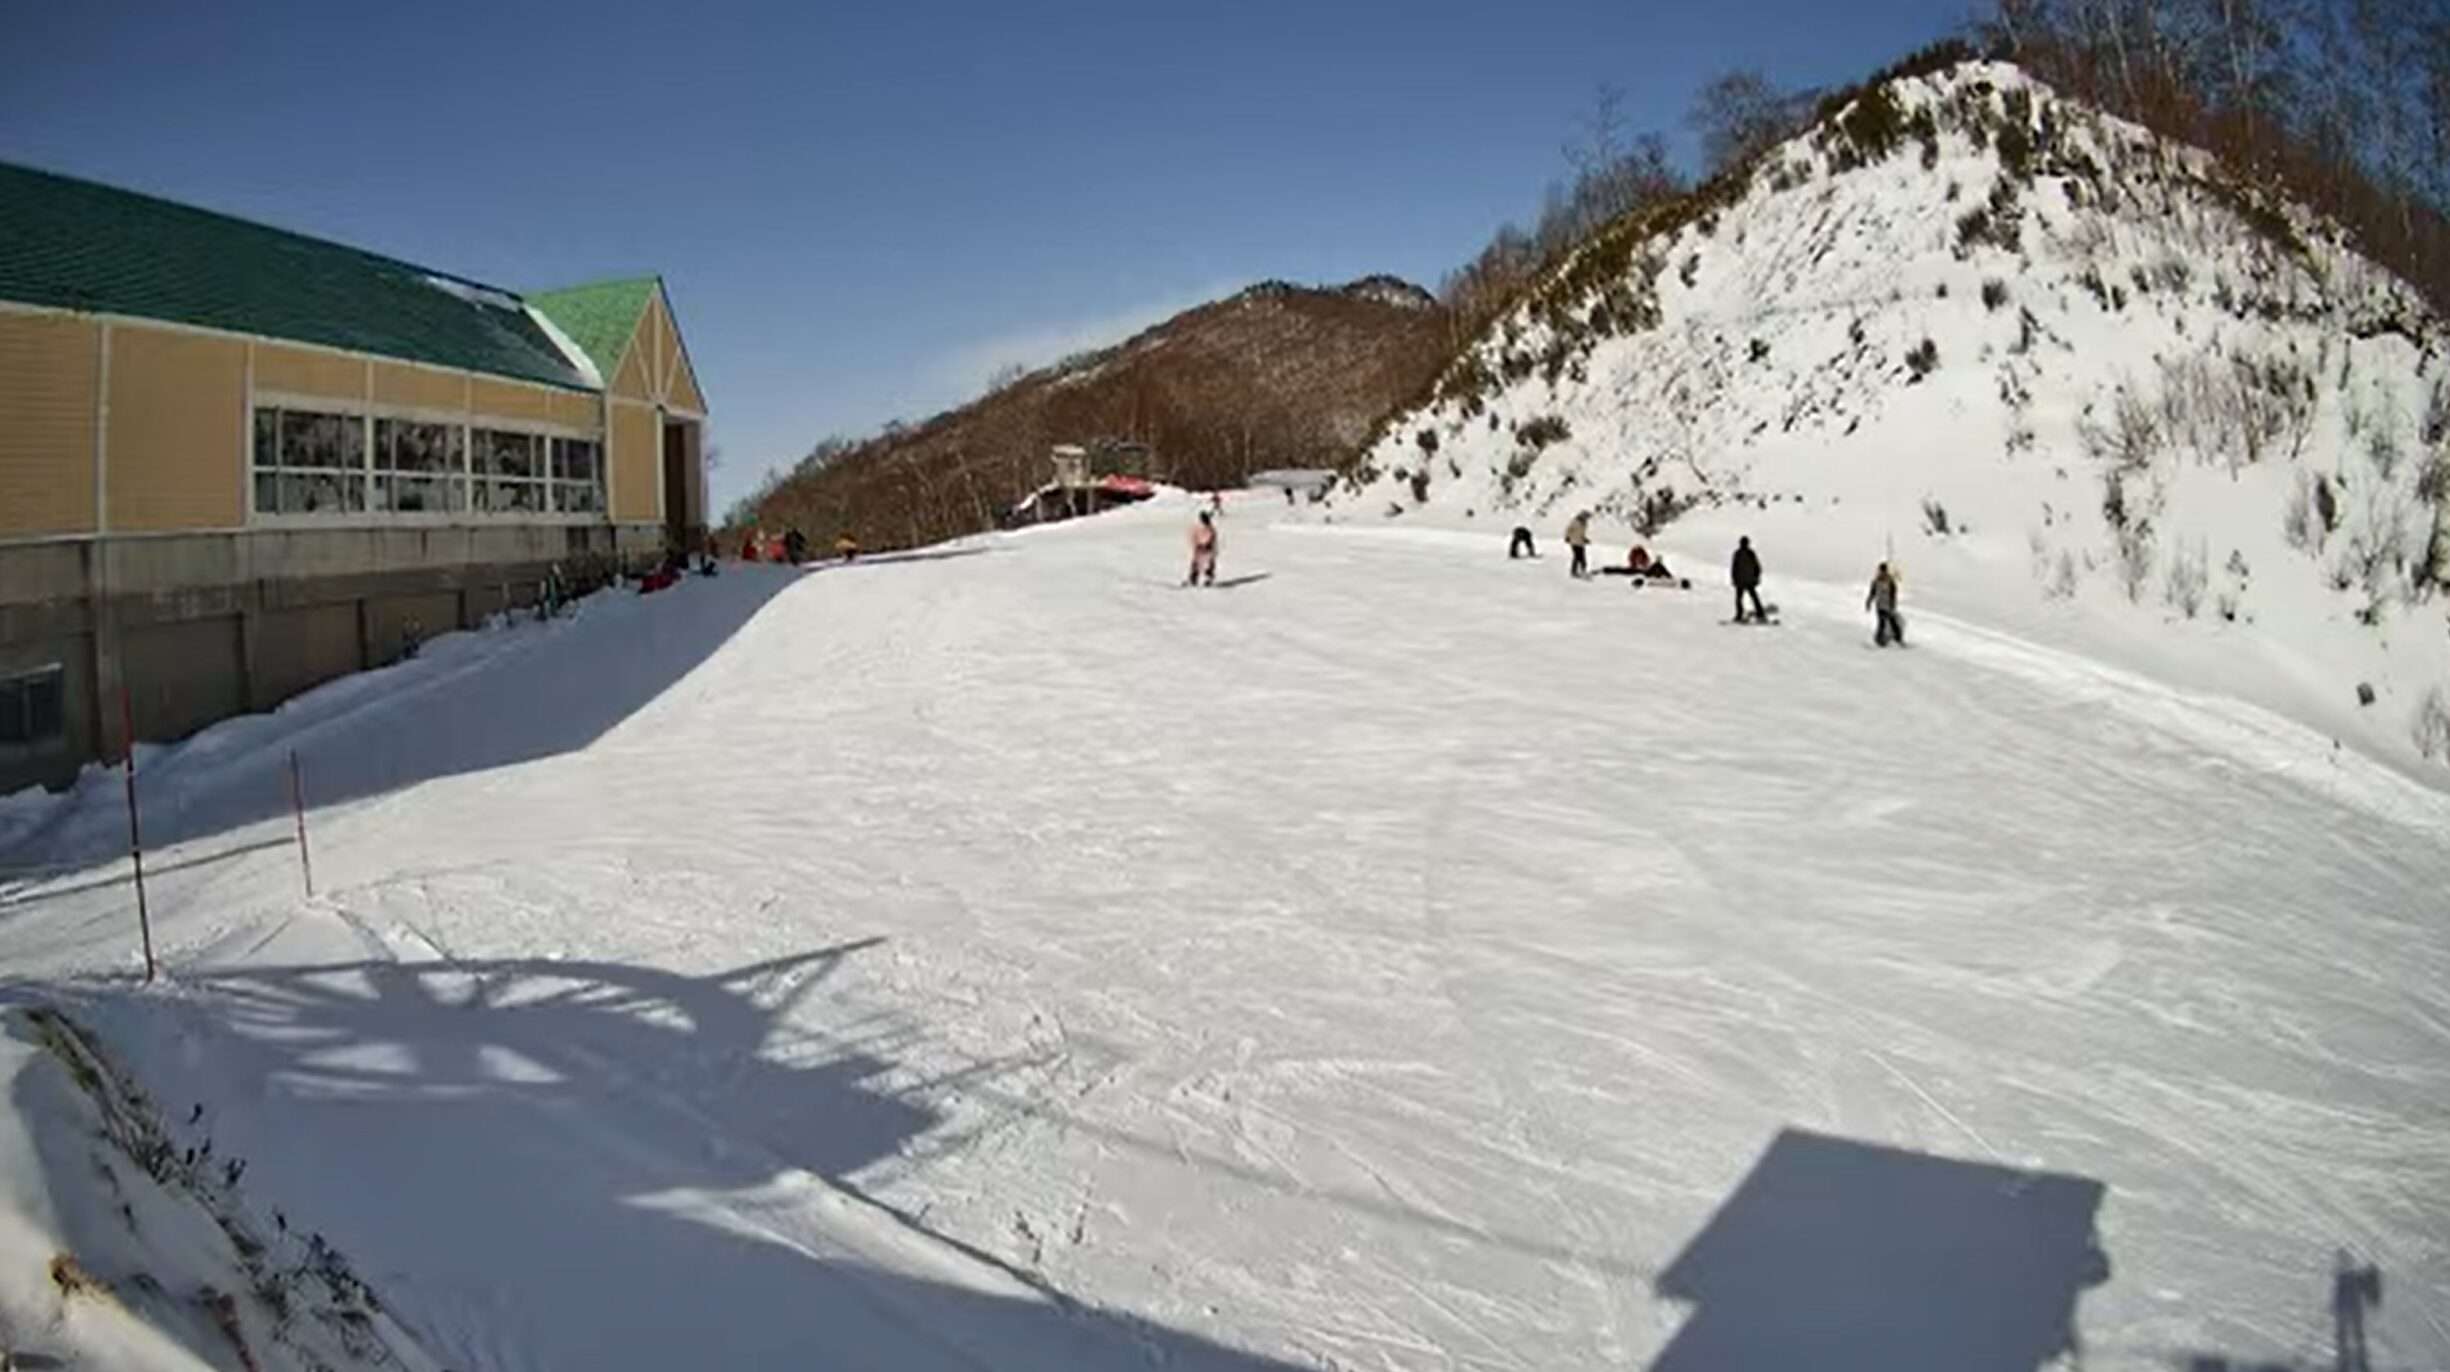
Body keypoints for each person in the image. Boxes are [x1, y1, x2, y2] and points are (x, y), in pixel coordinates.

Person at [1866, 561, 1905, 646]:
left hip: (1888, 606)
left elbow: (1893, 594)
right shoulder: (1876, 581)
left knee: (1893, 622)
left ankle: (1898, 639)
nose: (1882, 572)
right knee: (1882, 623)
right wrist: (1868, 602)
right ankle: (1879, 640)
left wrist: (1893, 604)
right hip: (1880, 606)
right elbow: (1872, 593)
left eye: (1883, 570)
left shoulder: (1890, 581)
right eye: (1881, 570)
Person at [1731, 536, 1766, 622]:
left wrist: (1756, 577)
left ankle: (1742, 614)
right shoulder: (1740, 553)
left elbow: (1757, 567)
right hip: (1744, 580)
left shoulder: (1743, 553)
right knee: (1747, 598)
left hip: (1746, 580)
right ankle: (1758, 613)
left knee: (1746, 598)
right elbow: (1734, 568)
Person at [1187, 510, 1219, 586]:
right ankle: (1193, 579)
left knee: (1209, 564)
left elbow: (1212, 537)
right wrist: (1196, 544)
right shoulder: (1198, 527)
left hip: (1208, 549)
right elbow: (1194, 536)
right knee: (1195, 564)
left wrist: (1207, 544)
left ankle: (1208, 579)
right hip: (1199, 549)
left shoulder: (1210, 528)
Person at [1565, 512, 1592, 579]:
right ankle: (1577, 571)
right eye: (1586, 517)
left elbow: (1581, 533)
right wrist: (1567, 537)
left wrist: (1585, 539)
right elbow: (1569, 529)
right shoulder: (1575, 522)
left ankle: (1579, 570)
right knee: (1578, 557)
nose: (1587, 519)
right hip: (1574, 542)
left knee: (1580, 557)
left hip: (1580, 543)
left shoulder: (1584, 523)